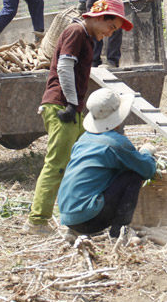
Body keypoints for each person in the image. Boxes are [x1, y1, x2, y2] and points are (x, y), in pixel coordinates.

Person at [23, 0, 133, 235]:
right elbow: (64, 67)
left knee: (81, 159)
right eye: (110, 26)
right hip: (61, 106)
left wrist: (75, 106)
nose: (110, 33)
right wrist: (72, 104)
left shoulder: (87, 38)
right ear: (99, 17)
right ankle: (37, 221)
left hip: (71, 108)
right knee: (57, 164)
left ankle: (78, 216)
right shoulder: (75, 31)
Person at [57, 88, 157, 239]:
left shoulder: (83, 139)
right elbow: (148, 170)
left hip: (67, 216)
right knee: (133, 175)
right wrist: (146, 152)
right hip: (89, 219)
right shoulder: (116, 143)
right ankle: (119, 232)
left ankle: (76, 230)